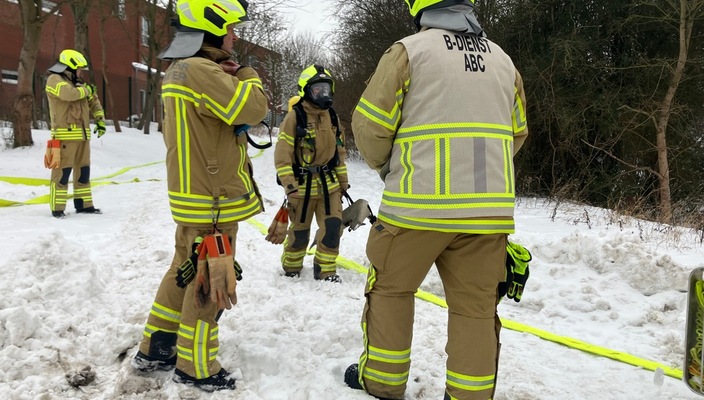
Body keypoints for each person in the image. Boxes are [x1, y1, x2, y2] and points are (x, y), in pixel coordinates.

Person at [343, 1, 528, 399]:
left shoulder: (409, 51)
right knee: (476, 311)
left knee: (390, 291)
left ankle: (382, 383)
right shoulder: (504, 62)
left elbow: (370, 127)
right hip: (486, 216)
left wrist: (389, 168)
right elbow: (516, 134)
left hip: (416, 209)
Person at [130, 0, 268, 392]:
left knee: (183, 269)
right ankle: (197, 365)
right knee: (210, 280)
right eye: (230, 29)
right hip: (213, 200)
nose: (235, 35)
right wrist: (246, 72)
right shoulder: (202, 70)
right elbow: (253, 108)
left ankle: (157, 346)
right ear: (212, 29)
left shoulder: (181, 69)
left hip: (195, 196)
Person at [274, 64, 348, 282]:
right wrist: (289, 184)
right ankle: (291, 267)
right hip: (302, 186)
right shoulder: (295, 118)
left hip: (329, 185)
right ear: (306, 90)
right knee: (299, 231)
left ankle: (325, 270)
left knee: (333, 227)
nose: (323, 94)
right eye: (318, 89)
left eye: (326, 89)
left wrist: (343, 183)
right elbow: (282, 154)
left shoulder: (332, 117)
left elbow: (340, 153)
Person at [44, 49, 106, 218]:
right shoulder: (54, 80)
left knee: (84, 173)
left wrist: (100, 119)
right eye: (79, 68)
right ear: (70, 67)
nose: (81, 72)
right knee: (62, 174)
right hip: (64, 137)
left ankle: (84, 205)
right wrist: (87, 90)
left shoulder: (78, 82)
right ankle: (57, 209)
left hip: (83, 137)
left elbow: (94, 101)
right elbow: (68, 94)